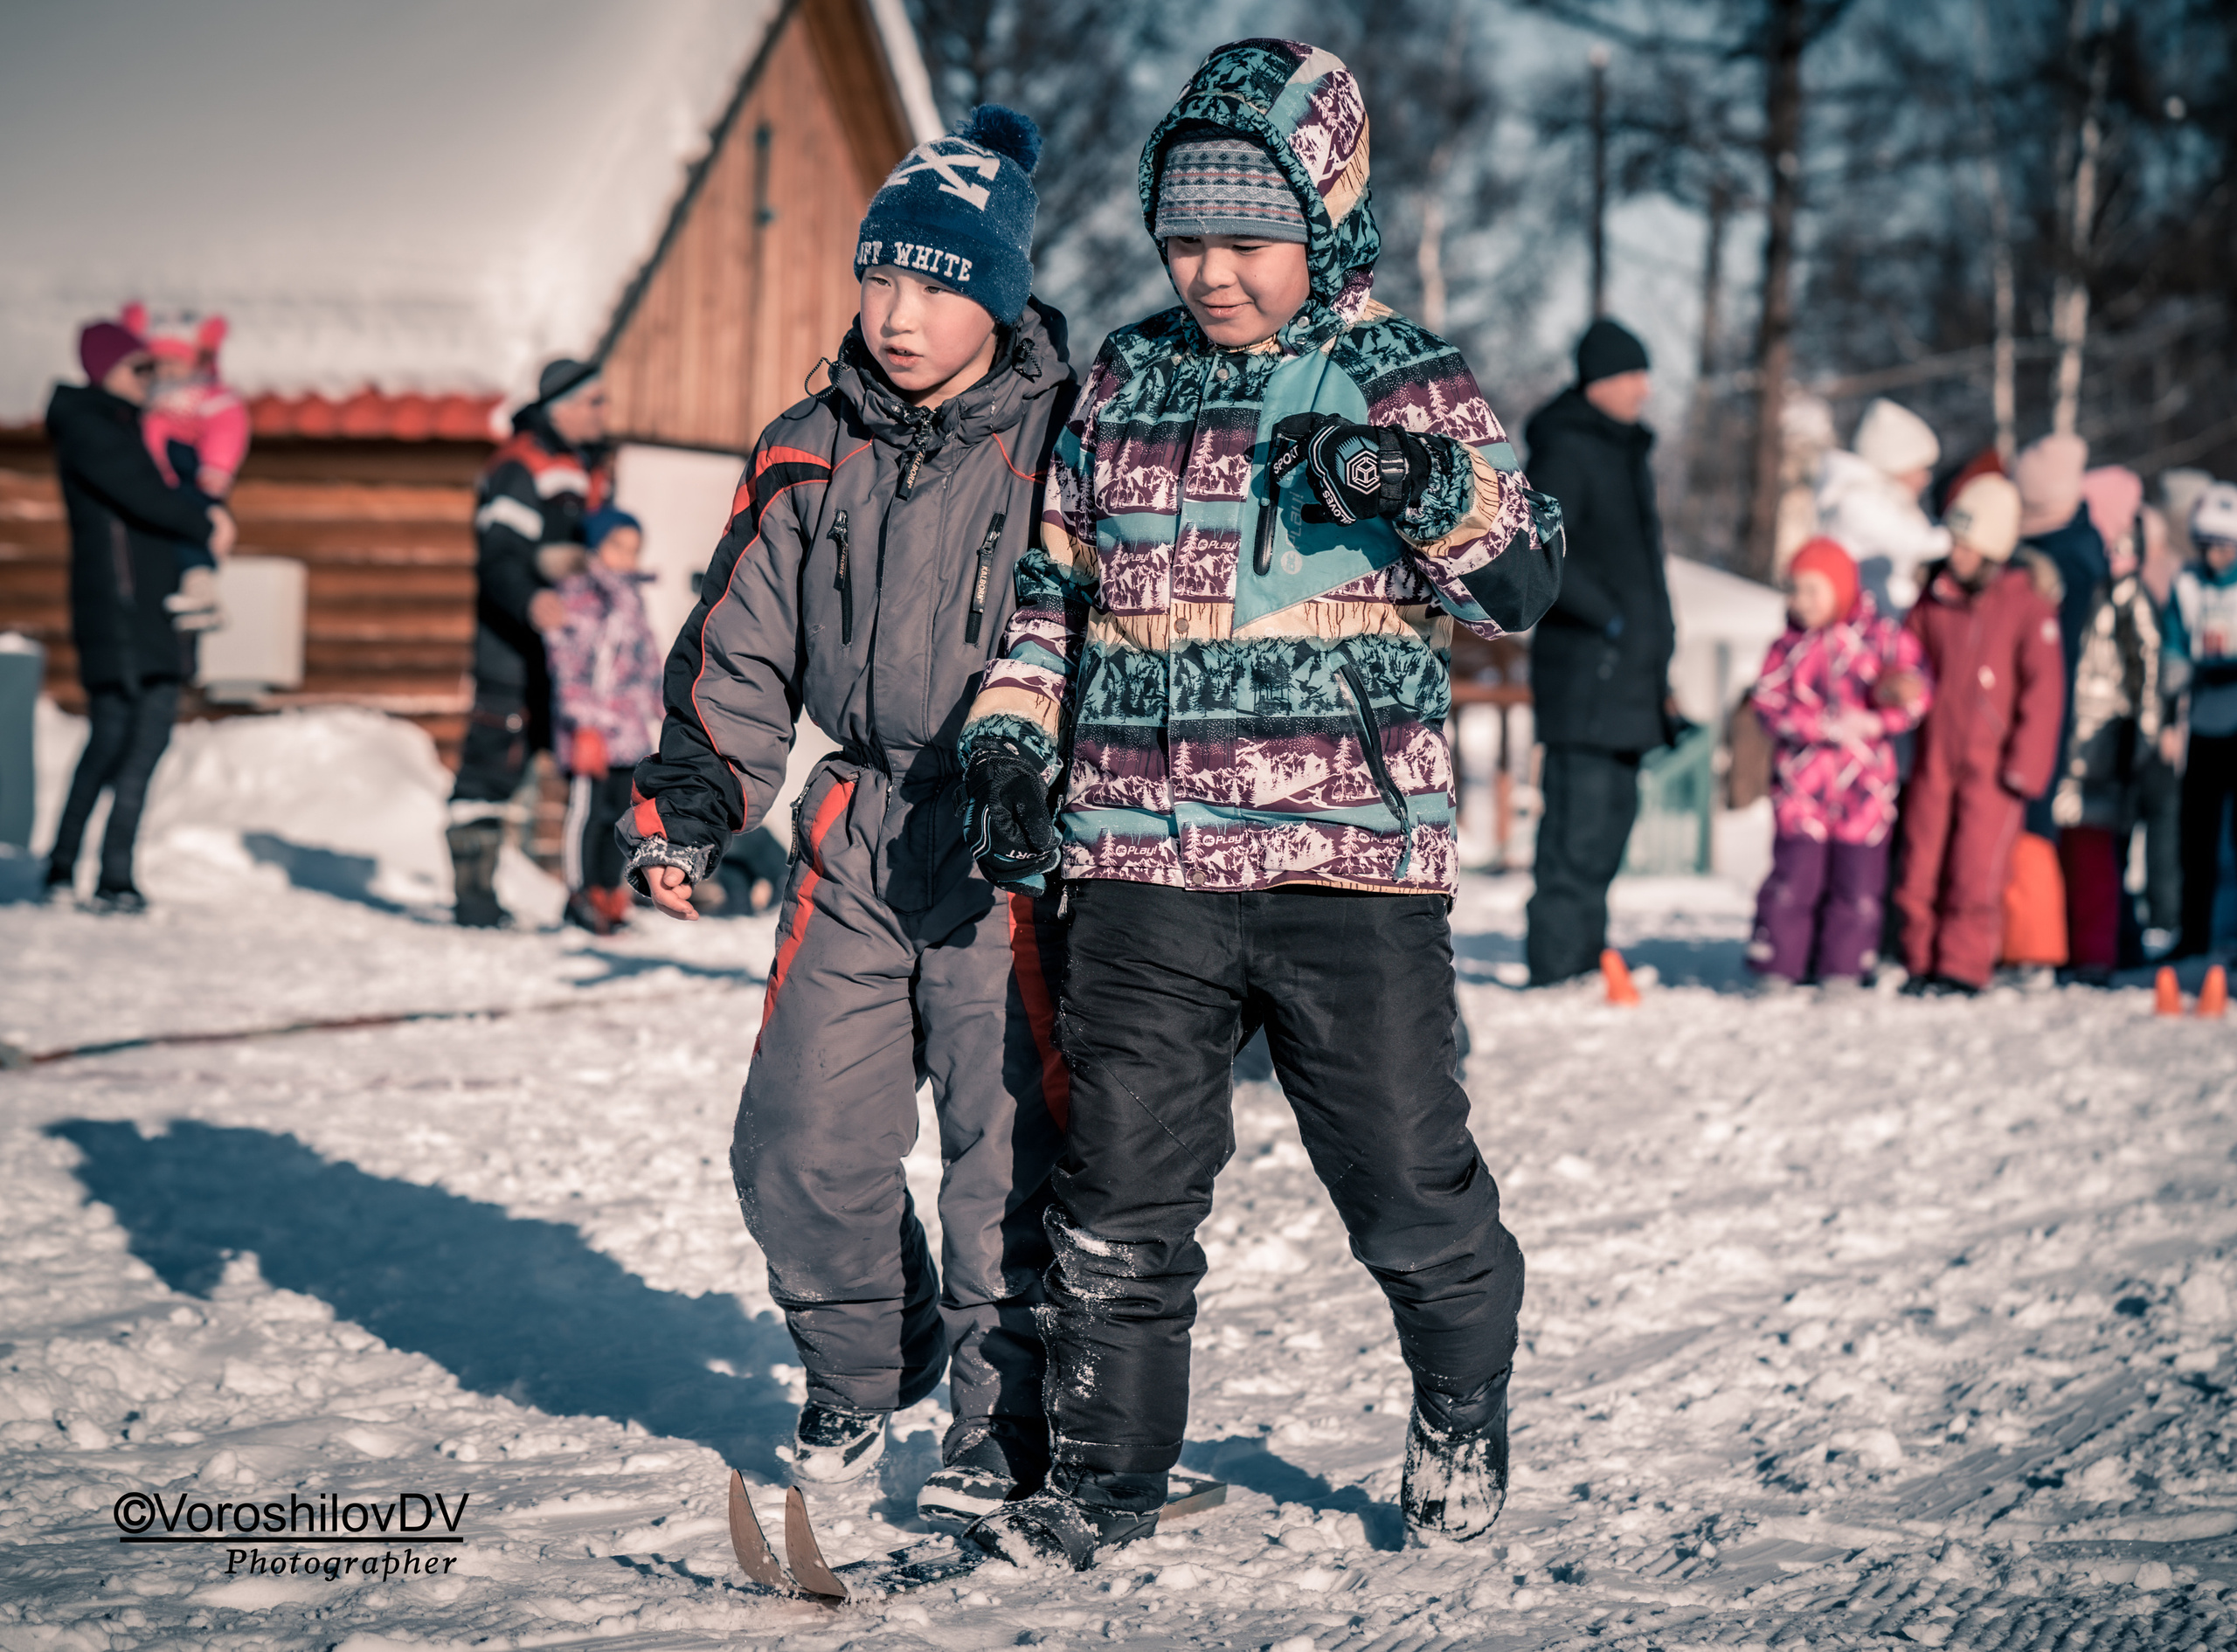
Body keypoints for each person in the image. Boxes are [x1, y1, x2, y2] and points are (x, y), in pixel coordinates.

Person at [953, 40, 1561, 1566]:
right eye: (1187, 238)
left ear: (1328, 214)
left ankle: (1462, 1392)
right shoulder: (1125, 378)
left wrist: (1409, 483)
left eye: (1248, 238)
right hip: (1144, 864)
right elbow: (1052, 589)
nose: (1212, 272)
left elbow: (1523, 582)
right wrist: (1017, 738)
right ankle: (1100, 1485)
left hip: (1350, 873)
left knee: (1407, 1187)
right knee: (1119, 1198)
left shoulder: (1405, 371)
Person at [620, 107, 1077, 1530]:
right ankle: (861, 1369)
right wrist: (691, 804)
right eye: (881, 277)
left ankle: (1009, 1431)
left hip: (1015, 842)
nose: (897, 313)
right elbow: (739, 644)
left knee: (1010, 1155)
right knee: (798, 1142)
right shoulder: (808, 445)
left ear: (996, 294)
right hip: (859, 826)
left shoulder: (1067, 444)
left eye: (936, 284)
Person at [42, 318, 237, 911]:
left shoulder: (131, 427)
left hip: (148, 607)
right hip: (119, 609)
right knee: (120, 737)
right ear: (105, 370)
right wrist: (204, 522)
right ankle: (83, 870)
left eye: (155, 369)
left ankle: (95, 869)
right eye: (139, 369)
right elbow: (142, 496)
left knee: (137, 737)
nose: (151, 380)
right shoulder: (90, 429)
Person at [1522, 317, 1676, 986]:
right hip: (1585, 676)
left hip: (1628, 680)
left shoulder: (1623, 449)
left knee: (1609, 826)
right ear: (1600, 380)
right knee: (1577, 832)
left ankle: (1584, 955)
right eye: (1632, 373)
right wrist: (1609, 617)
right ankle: (1558, 966)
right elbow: (1540, 544)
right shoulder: (1569, 448)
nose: (1644, 387)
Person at [447, 359, 611, 928]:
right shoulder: (522, 466)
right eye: (595, 402)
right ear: (561, 407)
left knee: (582, 773)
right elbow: (498, 558)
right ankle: (473, 897)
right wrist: (531, 599)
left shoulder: (588, 466)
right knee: (493, 768)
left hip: (566, 657)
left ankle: (587, 894)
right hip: (512, 653)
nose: (604, 413)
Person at [1893, 474, 2065, 994]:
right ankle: (1919, 958)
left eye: (1968, 544)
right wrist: (1894, 685)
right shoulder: (1933, 602)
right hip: (1935, 754)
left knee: (1976, 866)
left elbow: (2044, 692)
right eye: (1955, 542)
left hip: (1993, 765)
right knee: (1921, 859)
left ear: (1992, 547)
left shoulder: (2026, 607)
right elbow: (1906, 657)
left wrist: (2025, 766)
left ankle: (1963, 966)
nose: (1957, 553)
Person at [1746, 537, 1930, 992]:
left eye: (1813, 590)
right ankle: (1780, 964)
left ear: (1842, 589)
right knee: (1794, 880)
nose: (1801, 602)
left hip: (1864, 790)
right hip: (1802, 789)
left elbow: (1918, 690)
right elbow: (1768, 704)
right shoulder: (1787, 647)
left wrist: (1877, 718)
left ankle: (1843, 968)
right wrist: (1820, 725)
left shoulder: (1881, 638)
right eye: (1794, 590)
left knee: (1858, 885)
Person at [2053, 467, 2160, 981]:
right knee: (2070, 855)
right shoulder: (2083, 583)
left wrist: (2142, 739)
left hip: (2105, 745)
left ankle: (2099, 953)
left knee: (2097, 858)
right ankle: (2076, 948)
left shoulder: (2125, 596)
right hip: (2072, 740)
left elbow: (2148, 668)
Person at [547, 507, 660, 937]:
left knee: (621, 817)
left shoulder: (632, 601)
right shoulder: (577, 596)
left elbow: (649, 663)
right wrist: (583, 724)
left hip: (630, 732)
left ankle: (612, 895)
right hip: (591, 731)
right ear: (595, 546)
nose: (627, 557)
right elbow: (567, 666)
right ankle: (581, 894)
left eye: (634, 549)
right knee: (588, 812)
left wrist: (669, 711)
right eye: (618, 546)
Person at [132, 305, 250, 633]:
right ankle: (195, 591)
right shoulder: (149, 400)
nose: (168, 371)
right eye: (162, 364)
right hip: (162, 481)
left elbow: (226, 433)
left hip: (193, 479)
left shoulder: (212, 399)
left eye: (175, 362)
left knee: (193, 530)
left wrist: (214, 474)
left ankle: (201, 589)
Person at [2162, 480, 2237, 960]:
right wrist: (2171, 712)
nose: (2214, 554)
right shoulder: (2186, 586)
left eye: (2224, 544)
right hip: (2204, 726)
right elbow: (2173, 654)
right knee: (2196, 839)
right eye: (2206, 543)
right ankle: (2193, 934)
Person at [1814, 397, 1950, 615]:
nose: (1926, 478)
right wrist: (1961, 538)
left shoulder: (1889, 501)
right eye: (1921, 468)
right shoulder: (1856, 502)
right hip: (1868, 623)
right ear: (1898, 462)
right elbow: (1908, 543)